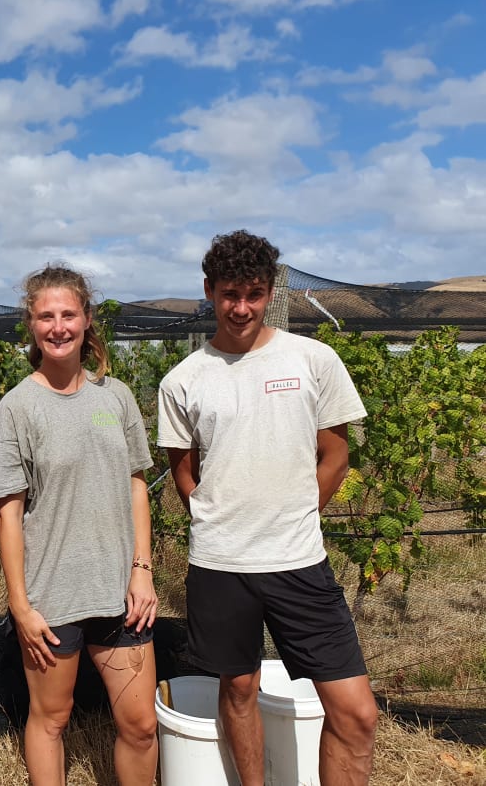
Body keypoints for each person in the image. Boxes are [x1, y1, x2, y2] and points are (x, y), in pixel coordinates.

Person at [157, 229, 378, 786]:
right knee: (237, 690)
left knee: (355, 712)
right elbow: (184, 471)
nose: (240, 307)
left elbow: (334, 455)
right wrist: (218, 521)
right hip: (221, 565)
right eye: (229, 293)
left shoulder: (313, 359)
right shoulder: (184, 380)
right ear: (208, 291)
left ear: (270, 292)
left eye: (253, 294)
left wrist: (296, 514)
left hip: (299, 560)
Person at [0, 265, 159, 786]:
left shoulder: (116, 399)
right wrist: (19, 603)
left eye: (68, 314)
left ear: (86, 320)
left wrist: (142, 570)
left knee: (142, 724)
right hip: (52, 595)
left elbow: (135, 486)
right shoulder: (17, 408)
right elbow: (8, 513)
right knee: (51, 719)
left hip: (120, 591)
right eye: (46, 316)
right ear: (31, 327)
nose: (58, 326)